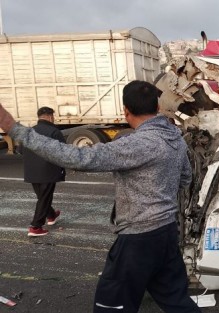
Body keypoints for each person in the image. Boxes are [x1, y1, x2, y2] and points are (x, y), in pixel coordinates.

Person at [0, 81, 201, 313]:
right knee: (176, 300)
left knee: (111, 305)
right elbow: (185, 178)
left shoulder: (136, 144)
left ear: (126, 110)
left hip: (138, 238)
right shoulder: (175, 139)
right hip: (166, 232)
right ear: (156, 108)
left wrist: (15, 129)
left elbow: (76, 157)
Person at [23, 107, 65, 237]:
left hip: (31, 170)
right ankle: (35, 226)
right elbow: (63, 151)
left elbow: (20, 150)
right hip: (48, 170)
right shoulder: (54, 131)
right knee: (44, 197)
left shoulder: (28, 132)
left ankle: (51, 215)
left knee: (42, 196)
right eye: (53, 116)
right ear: (49, 116)